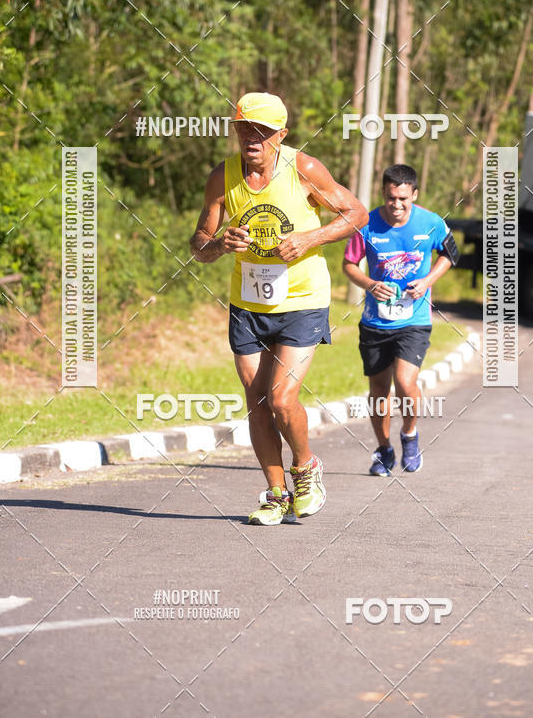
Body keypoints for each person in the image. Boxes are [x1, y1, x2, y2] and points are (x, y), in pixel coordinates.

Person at [190, 92, 368, 525]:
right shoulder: (223, 177)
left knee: (282, 398)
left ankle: (306, 469)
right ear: (235, 129)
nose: (252, 138)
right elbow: (198, 245)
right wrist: (219, 244)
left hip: (302, 300)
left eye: (263, 132)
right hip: (248, 302)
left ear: (281, 135)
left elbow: (356, 213)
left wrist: (309, 239)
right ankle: (276, 494)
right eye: (245, 128)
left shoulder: (303, 168)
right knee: (256, 401)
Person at [342, 164, 458, 475]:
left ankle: (409, 436)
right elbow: (349, 264)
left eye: (404, 199)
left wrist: (428, 281)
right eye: (391, 198)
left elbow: (451, 255)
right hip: (375, 322)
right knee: (379, 390)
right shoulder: (366, 225)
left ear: (414, 195)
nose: (397, 205)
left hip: (414, 320)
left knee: (405, 382)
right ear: (383, 194)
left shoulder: (431, 222)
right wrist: (370, 284)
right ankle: (383, 450)